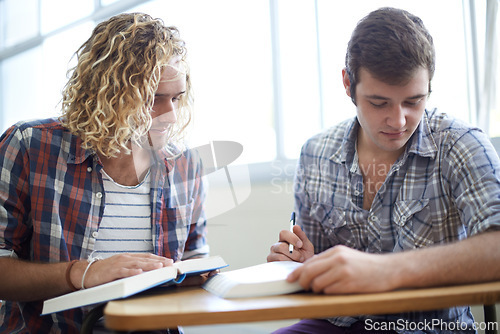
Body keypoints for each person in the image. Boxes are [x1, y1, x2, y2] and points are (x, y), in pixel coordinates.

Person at [268, 7, 500, 334]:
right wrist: (305, 267)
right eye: (379, 103)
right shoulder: (315, 154)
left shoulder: (459, 144)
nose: (399, 120)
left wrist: (387, 270)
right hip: (335, 324)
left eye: (414, 101)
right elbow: (314, 268)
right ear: (349, 84)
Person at [0, 13, 211, 333]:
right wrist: (79, 274)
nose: (170, 114)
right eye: (154, 99)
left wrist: (199, 276)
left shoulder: (185, 166)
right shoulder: (29, 147)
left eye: (177, 98)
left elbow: (195, 265)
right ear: (107, 93)